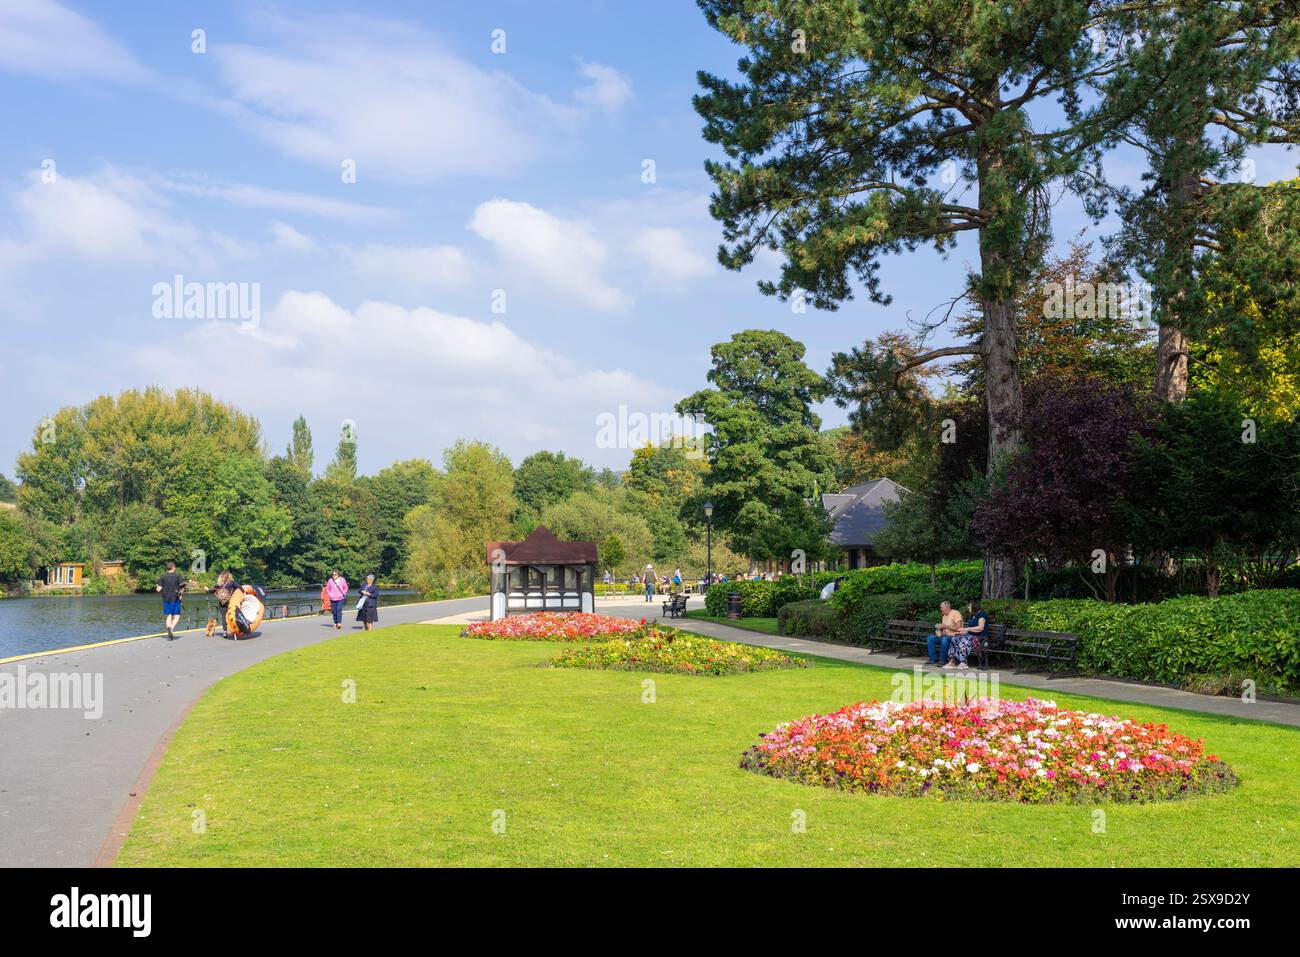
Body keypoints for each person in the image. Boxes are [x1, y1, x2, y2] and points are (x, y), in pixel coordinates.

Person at [945, 600, 989, 670]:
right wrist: (961, 632)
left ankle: (963, 662)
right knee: (955, 638)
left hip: (980, 639)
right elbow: (970, 631)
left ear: (974, 607)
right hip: (970, 637)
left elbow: (980, 628)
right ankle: (952, 661)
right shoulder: (972, 616)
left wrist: (967, 629)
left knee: (964, 639)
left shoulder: (982, 614)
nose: (968, 607)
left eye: (969, 606)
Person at [926, 599, 964, 665]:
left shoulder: (955, 613)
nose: (940, 609)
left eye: (941, 607)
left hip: (955, 637)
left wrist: (945, 626)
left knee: (944, 639)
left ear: (947, 607)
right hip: (946, 637)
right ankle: (933, 659)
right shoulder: (944, 616)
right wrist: (939, 630)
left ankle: (943, 660)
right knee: (930, 638)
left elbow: (959, 627)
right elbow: (943, 633)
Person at [156, 562, 185, 640]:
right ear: (173, 568)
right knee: (177, 616)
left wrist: (157, 585)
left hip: (166, 598)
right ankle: (171, 629)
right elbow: (182, 587)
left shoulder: (163, 577)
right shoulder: (178, 576)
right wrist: (181, 595)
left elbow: (158, 589)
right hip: (175, 598)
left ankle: (168, 628)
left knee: (169, 615)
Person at [210, 569, 240, 639]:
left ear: (221, 576)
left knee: (224, 617)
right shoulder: (232, 582)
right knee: (232, 616)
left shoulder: (219, 584)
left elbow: (211, 591)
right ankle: (234, 631)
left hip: (222, 602)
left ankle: (224, 632)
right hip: (230, 602)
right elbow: (240, 588)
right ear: (229, 576)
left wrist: (206, 589)